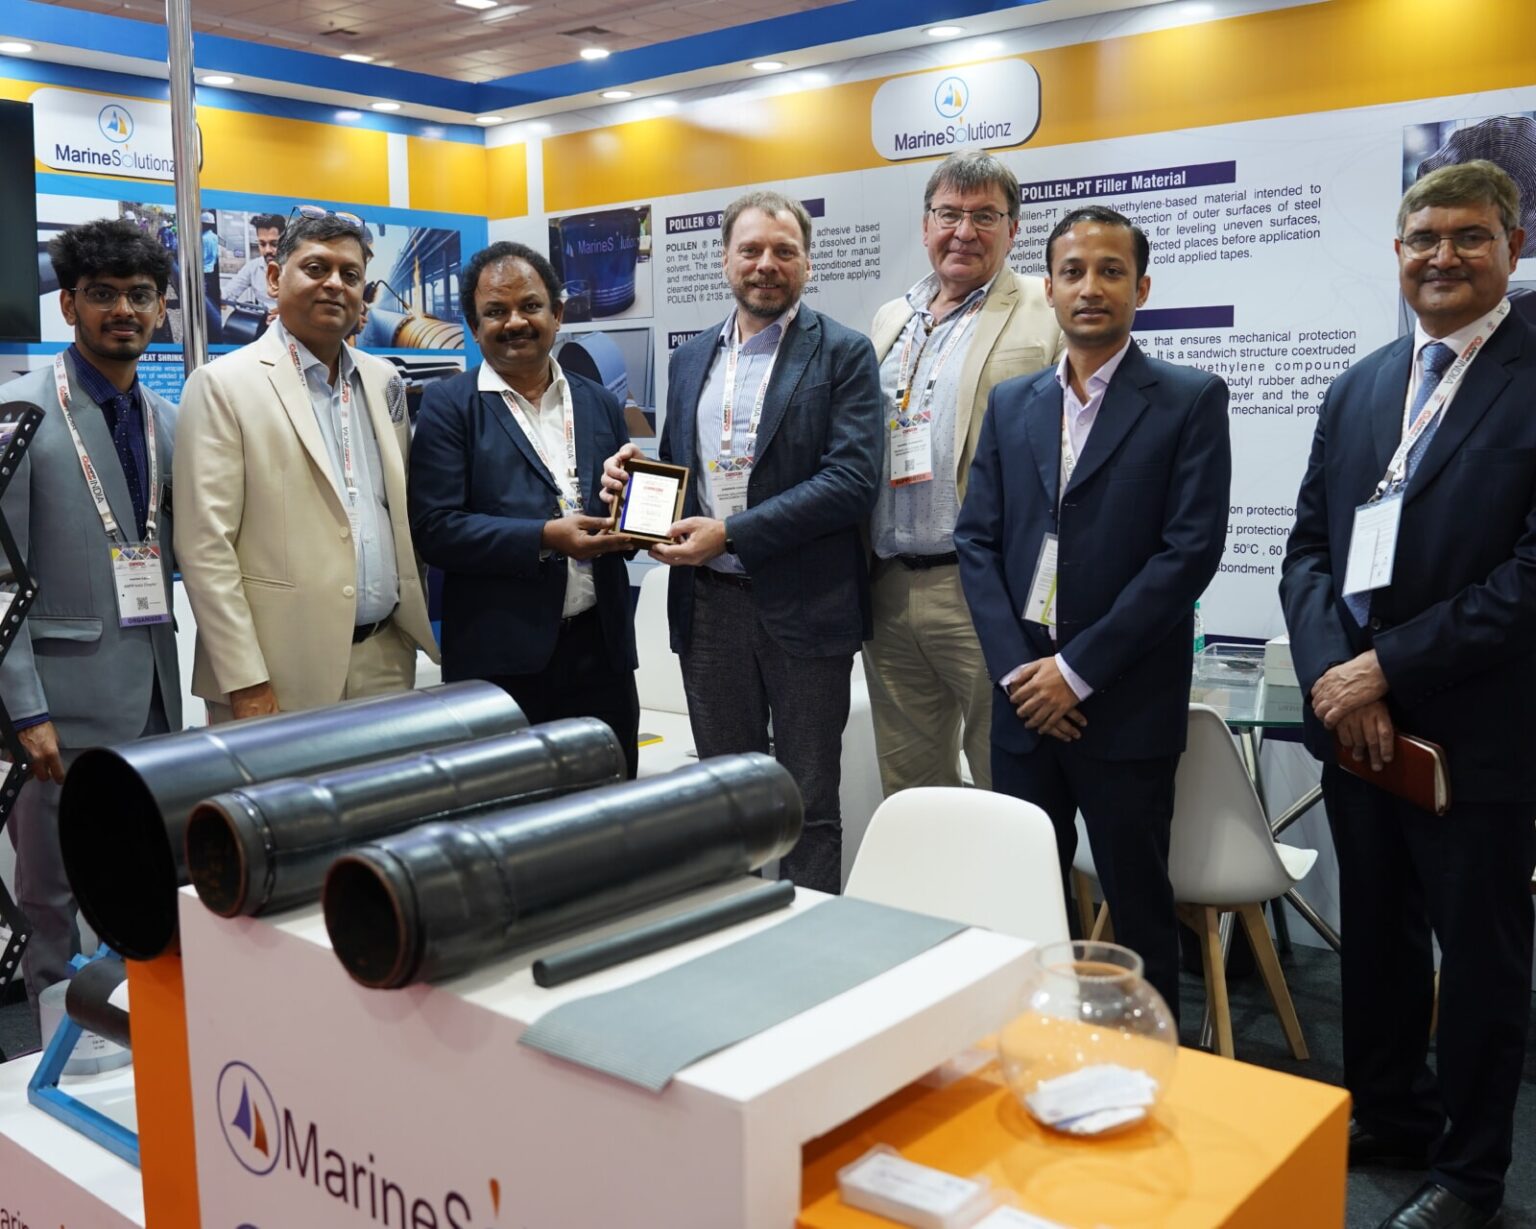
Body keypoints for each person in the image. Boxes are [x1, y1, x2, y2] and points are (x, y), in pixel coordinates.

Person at [1280, 160, 1535, 1229]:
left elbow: (1529, 573)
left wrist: (1389, 667)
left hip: (1479, 736)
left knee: (1477, 960)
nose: (1443, 255)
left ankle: (1470, 1174)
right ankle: (1389, 1111)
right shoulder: (1363, 385)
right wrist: (1342, 680)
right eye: (1424, 237)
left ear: (1512, 247)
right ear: (1397, 252)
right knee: (1376, 936)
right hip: (1359, 728)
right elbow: (1307, 551)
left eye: (1469, 236)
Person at [955, 205, 1230, 1017]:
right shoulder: (1013, 403)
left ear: (1141, 287)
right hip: (1024, 708)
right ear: (1049, 287)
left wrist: (1074, 673)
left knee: (1138, 908)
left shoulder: (1188, 400)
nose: (1090, 287)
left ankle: (1148, 1066)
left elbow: (1187, 554)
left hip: (1123, 705)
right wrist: (1022, 674)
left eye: (1111, 271)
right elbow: (976, 541)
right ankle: (1029, 1049)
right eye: (1072, 271)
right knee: (1024, 904)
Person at [602, 190, 882, 893]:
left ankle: (809, 938)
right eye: (750, 249)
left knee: (809, 803)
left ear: (807, 263)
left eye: (784, 251)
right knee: (727, 799)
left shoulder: (844, 353)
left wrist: (731, 532)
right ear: (725, 259)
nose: (766, 264)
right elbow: (682, 470)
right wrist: (635, 487)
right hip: (710, 608)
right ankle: (731, 925)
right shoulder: (691, 358)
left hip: (807, 608)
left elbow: (851, 481)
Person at [0, 219, 180, 1011]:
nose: (123, 311)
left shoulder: (168, 418)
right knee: (50, 895)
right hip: (57, 707)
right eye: (102, 294)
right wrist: (24, 711)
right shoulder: (20, 411)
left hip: (154, 694)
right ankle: (49, 1042)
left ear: (162, 307)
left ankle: (139, 1038)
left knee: (142, 877)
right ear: (68, 304)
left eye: (140, 295)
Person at [175, 208, 436, 720]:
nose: (335, 284)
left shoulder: (383, 379)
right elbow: (206, 546)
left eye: (350, 274)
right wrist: (245, 680)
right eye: (316, 269)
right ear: (275, 278)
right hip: (277, 674)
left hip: (385, 656)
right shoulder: (223, 385)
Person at [865, 150, 1063, 795]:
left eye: (985, 216)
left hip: (986, 589)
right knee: (912, 790)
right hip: (889, 587)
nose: (964, 231)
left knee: (1010, 784)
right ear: (926, 224)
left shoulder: (1046, 308)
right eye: (949, 214)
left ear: (1014, 228)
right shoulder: (892, 318)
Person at [409, 243, 639, 776]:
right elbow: (436, 529)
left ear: (557, 314)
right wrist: (544, 537)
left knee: (613, 806)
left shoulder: (598, 402)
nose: (515, 322)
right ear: (474, 327)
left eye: (531, 306)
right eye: (496, 311)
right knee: (509, 813)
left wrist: (632, 512)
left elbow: (618, 510)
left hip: (601, 654)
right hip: (500, 665)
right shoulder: (449, 406)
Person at [222, 212, 284, 313]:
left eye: (274, 244)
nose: (267, 250)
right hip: (265, 319)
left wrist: (284, 313)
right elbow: (229, 292)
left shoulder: (296, 266)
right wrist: (218, 294)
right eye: (262, 244)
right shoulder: (253, 267)